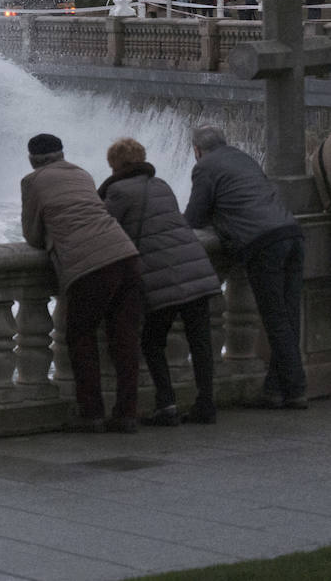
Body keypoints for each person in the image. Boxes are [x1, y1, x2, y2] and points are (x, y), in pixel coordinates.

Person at [20, 133, 143, 433]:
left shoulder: (32, 181)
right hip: (127, 255)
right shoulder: (82, 172)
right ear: (63, 156)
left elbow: (32, 233)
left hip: (91, 266)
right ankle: (127, 413)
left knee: (80, 335)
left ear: (32, 160)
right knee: (125, 337)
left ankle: (91, 412)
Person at [99, 138, 221, 426]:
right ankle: (206, 404)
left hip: (160, 275)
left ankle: (166, 404)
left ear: (115, 164)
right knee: (200, 342)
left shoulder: (116, 191)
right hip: (195, 268)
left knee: (152, 342)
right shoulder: (161, 184)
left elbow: (105, 227)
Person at [184, 125, 307, 409]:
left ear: (196, 150)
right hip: (291, 233)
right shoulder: (244, 157)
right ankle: (276, 389)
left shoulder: (205, 167)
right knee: (288, 317)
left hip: (263, 243)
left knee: (276, 318)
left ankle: (297, 388)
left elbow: (193, 217)